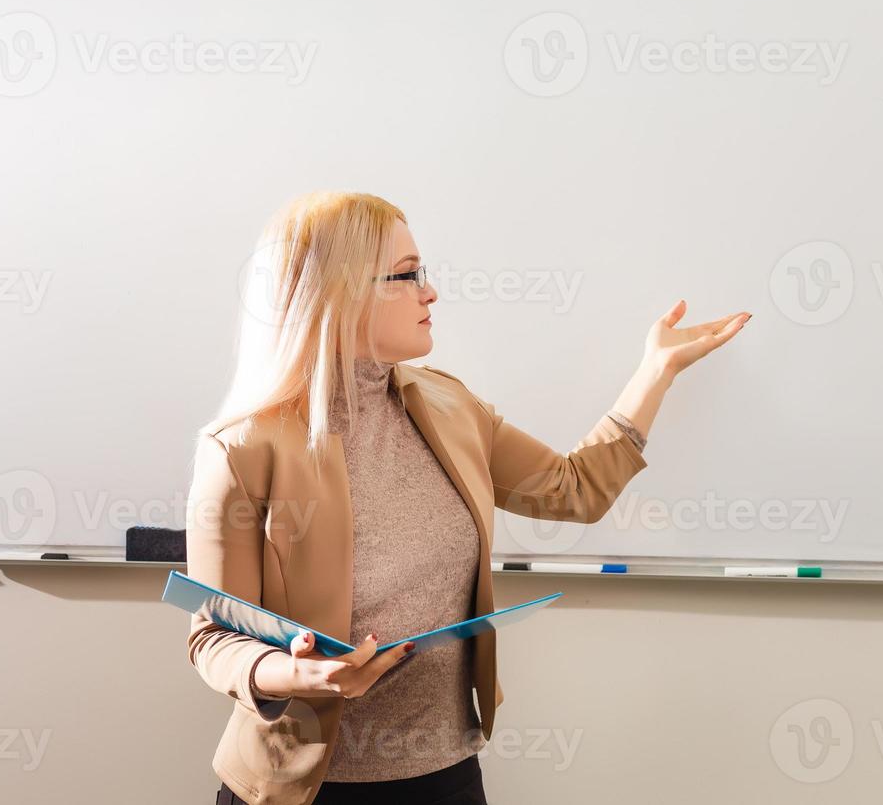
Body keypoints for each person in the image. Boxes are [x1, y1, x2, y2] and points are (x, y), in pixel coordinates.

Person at [186, 191, 751, 804]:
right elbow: (214, 638)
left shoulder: (451, 407)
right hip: (303, 787)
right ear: (338, 293)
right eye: (407, 275)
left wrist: (656, 370)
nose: (430, 292)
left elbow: (573, 492)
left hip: (446, 776)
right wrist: (301, 672)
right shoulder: (240, 449)